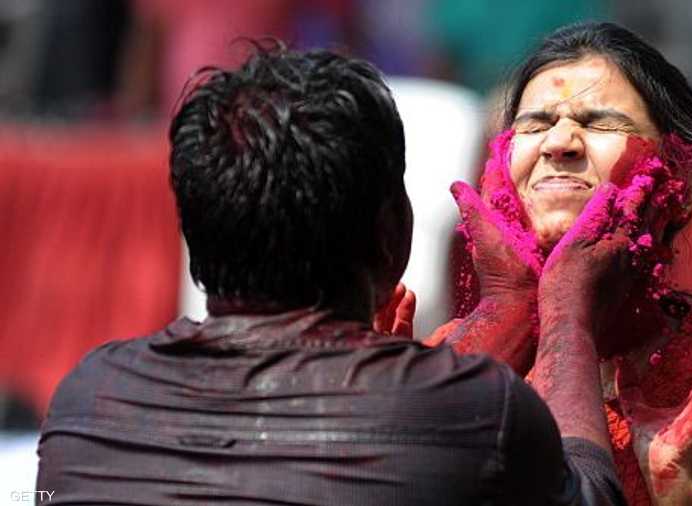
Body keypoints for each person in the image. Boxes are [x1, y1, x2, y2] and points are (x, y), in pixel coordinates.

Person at [35, 44, 628, 505]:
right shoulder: (470, 410)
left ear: (196, 235)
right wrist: (568, 313)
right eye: (536, 123)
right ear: (394, 232)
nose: (560, 145)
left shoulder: (90, 398)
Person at [426, 22, 692, 505]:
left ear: (683, 183)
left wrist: (678, 492)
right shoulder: (452, 364)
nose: (558, 143)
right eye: (535, 124)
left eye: (601, 123)